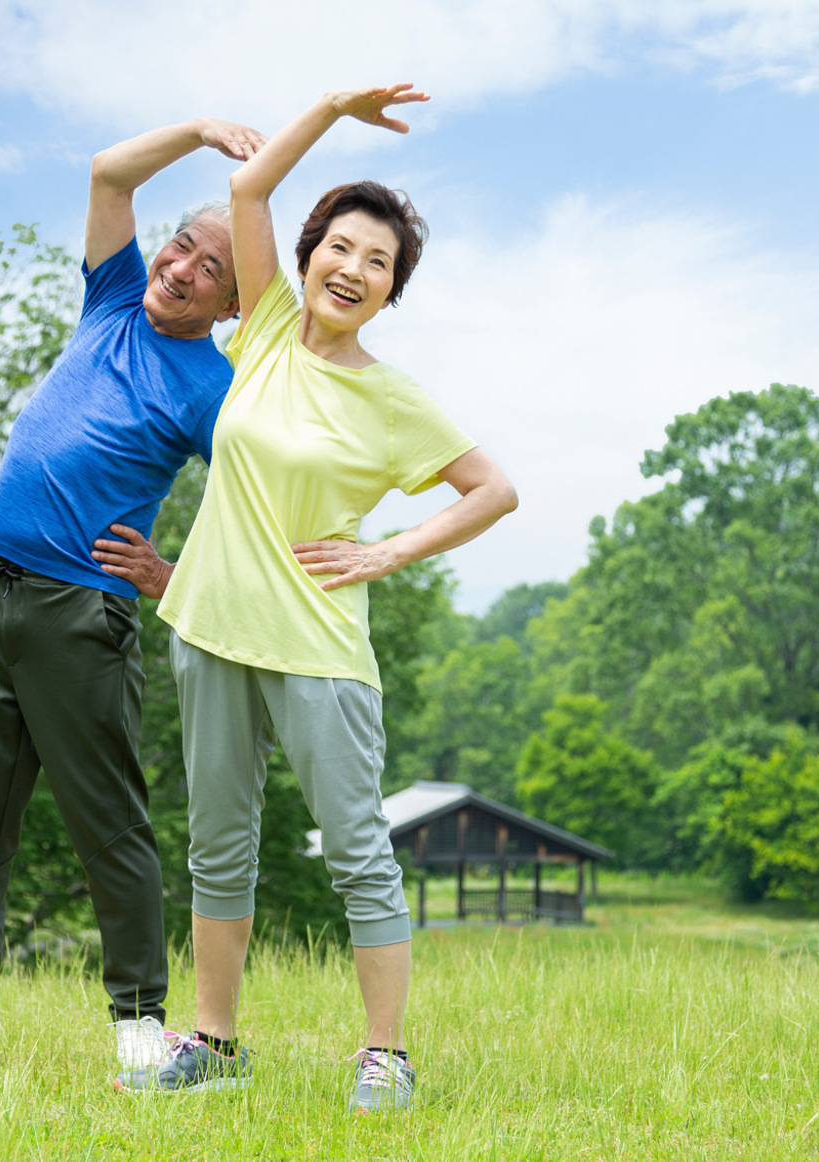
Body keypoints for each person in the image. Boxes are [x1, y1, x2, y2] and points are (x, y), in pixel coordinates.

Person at [94, 85, 517, 1112]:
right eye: (341, 247)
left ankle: (385, 1054)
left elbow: (493, 491)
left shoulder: (393, 398)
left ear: (389, 293)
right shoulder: (269, 329)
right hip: (211, 634)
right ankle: (216, 1039)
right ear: (307, 255)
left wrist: (387, 555)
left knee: (359, 853)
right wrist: (330, 106)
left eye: (379, 263)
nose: (354, 269)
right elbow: (248, 184)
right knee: (219, 846)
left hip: (320, 650)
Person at [0, 114, 268, 1071]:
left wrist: (178, 576)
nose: (180, 267)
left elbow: (261, 512)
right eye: (182, 245)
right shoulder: (114, 301)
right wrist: (201, 130)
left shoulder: (212, 391)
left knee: (109, 824)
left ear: (229, 304)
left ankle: (139, 1020)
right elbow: (107, 174)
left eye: (210, 267)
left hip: (78, 613)